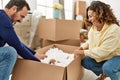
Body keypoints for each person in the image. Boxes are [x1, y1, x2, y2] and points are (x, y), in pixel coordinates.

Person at [0, 0, 47, 80]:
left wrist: (34, 54)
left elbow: (16, 42)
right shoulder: (3, 19)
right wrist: (39, 63)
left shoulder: (2, 17)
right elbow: (17, 46)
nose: (21, 21)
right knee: (10, 52)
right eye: (22, 16)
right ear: (14, 9)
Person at [73, 1, 120, 80]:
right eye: (88, 16)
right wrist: (82, 47)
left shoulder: (114, 29)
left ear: (100, 14)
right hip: (106, 56)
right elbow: (90, 41)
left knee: (107, 67)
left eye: (91, 16)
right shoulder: (94, 28)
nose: (89, 19)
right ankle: (105, 73)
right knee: (85, 61)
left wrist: (83, 52)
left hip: (117, 56)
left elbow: (102, 51)